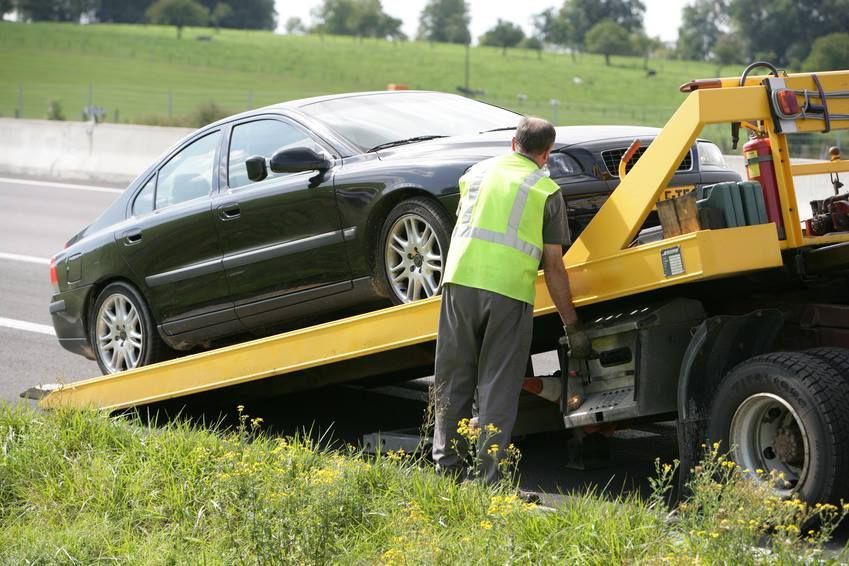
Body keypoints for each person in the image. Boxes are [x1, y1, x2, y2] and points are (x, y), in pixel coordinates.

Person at [432, 116, 590, 486]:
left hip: (459, 283)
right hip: (508, 292)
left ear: (513, 143)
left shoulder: (474, 173)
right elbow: (554, 268)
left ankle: (447, 472)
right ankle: (489, 480)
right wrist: (571, 323)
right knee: (496, 386)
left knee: (452, 378)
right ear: (546, 153)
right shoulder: (545, 190)